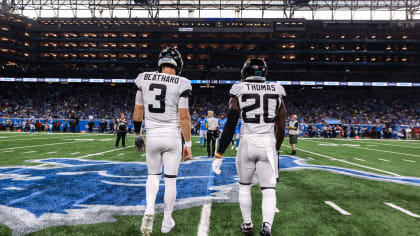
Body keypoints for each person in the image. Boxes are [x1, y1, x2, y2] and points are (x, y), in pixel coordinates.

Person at [212, 58, 286, 236]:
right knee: (268, 190)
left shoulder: (239, 89)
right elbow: (281, 126)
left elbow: (230, 124)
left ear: (245, 73)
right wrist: (275, 148)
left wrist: (219, 154)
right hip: (268, 143)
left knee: (244, 187)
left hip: (247, 143)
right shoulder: (277, 90)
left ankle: (247, 224)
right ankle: (266, 225)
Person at [132, 47, 192, 235]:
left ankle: (149, 208)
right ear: (178, 64)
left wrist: (137, 134)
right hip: (172, 137)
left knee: (153, 176)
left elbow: (138, 111)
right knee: (171, 180)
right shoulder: (181, 82)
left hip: (153, 136)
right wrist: (188, 144)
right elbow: (184, 117)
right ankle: (166, 220)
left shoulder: (144, 78)